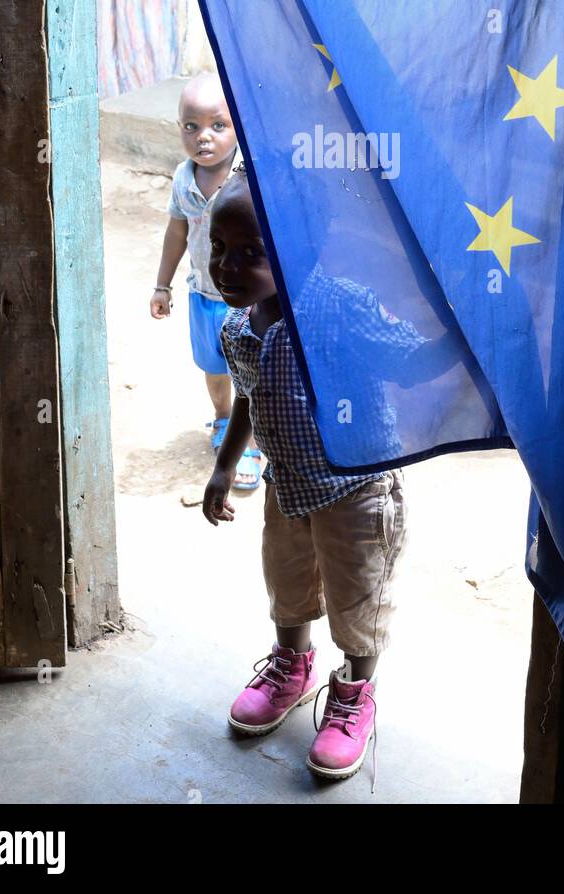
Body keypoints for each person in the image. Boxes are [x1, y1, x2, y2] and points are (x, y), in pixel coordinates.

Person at [202, 166, 418, 788]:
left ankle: (355, 691)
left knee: (359, 595)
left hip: (357, 489)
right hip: (287, 485)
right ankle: (291, 666)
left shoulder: (341, 305)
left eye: (251, 253)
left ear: (301, 247)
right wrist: (223, 467)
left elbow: (404, 354)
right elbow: (249, 394)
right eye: (219, 248)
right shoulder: (238, 326)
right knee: (287, 580)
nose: (228, 267)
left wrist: (459, 350)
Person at [150, 72, 260, 490]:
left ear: (237, 126)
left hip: (247, 299)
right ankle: (223, 417)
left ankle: (252, 439)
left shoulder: (248, 176)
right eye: (191, 126)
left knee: (252, 371)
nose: (204, 137)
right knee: (214, 367)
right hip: (204, 294)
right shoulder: (182, 178)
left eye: (218, 125)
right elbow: (176, 233)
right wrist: (163, 285)